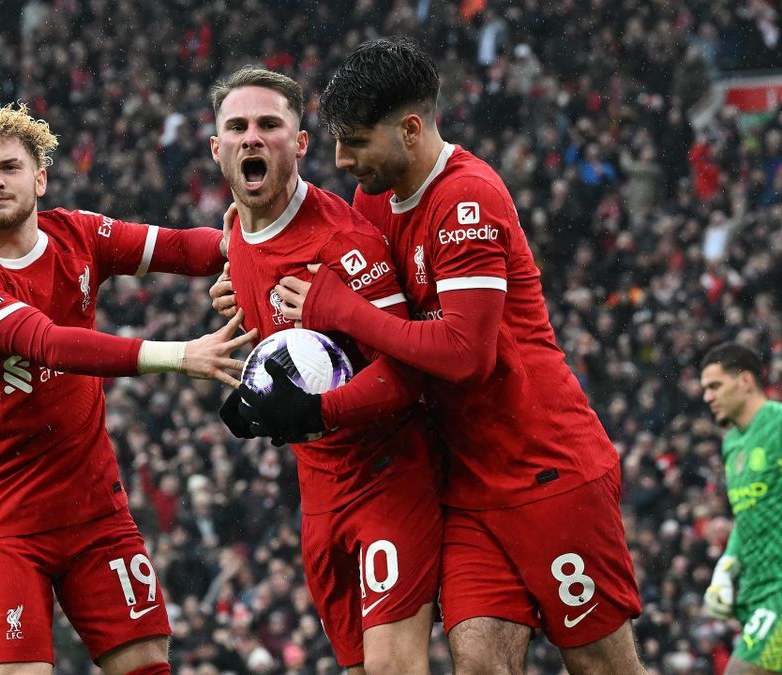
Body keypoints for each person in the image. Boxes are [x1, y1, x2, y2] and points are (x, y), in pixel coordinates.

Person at [248, 39, 645, 673]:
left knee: (602, 666)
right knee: (481, 664)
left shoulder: (468, 200)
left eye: (354, 141)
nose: (342, 159)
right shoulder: (375, 197)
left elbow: (464, 355)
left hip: (546, 472)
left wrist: (339, 310)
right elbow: (356, 299)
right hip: (463, 482)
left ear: (410, 129)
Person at [0, 102, 255, 674]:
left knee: (149, 665)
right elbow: (50, 343)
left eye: (8, 166)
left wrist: (259, 238)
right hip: (6, 520)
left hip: (95, 510)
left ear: (41, 177)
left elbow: (185, 248)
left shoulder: (77, 233)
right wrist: (181, 355)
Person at [207, 67, 442, 674]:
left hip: (387, 479)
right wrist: (254, 400)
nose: (251, 138)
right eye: (237, 127)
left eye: (269, 125)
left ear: (301, 142)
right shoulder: (236, 230)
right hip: (317, 496)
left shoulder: (346, 244)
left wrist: (312, 411)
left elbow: (407, 374)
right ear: (217, 148)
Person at [699, 342, 782, 674]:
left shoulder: (777, 423)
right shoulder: (732, 443)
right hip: (755, 593)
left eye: (715, 386)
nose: (707, 397)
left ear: (745, 381)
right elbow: (748, 514)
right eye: (705, 388)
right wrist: (726, 567)